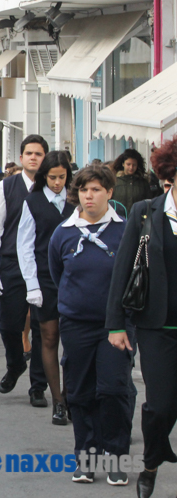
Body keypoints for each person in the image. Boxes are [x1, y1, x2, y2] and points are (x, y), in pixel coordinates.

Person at [48, 165, 131, 486]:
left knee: (113, 390)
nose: (89, 196)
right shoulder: (64, 232)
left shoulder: (124, 231)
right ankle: (86, 457)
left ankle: (117, 457)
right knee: (81, 393)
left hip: (117, 326)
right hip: (76, 324)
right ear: (77, 194)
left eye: (96, 189)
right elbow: (58, 274)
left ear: (109, 192)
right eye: (84, 190)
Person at [107, 138, 177, 497]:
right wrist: (116, 323)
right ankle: (151, 462)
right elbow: (122, 269)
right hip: (158, 325)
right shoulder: (147, 212)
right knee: (161, 405)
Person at [0, 135, 49, 407]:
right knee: (9, 325)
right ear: (21, 158)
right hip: (11, 264)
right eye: (29, 153)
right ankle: (15, 363)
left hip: (42, 266)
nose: (34, 157)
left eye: (39, 154)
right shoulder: (7, 187)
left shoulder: (52, 188)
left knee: (43, 329)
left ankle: (38, 387)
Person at [16, 151, 74, 426]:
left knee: (74, 342)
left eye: (62, 177)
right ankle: (58, 401)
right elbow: (24, 245)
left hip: (75, 278)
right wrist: (32, 285)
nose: (57, 183)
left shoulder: (76, 200)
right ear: (43, 176)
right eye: (52, 177)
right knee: (49, 338)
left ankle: (71, 394)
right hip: (44, 278)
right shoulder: (33, 201)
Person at [111, 148, 151, 218]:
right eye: (128, 164)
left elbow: (148, 203)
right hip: (118, 220)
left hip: (138, 221)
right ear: (123, 164)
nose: (131, 167)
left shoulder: (143, 183)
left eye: (134, 165)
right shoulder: (114, 181)